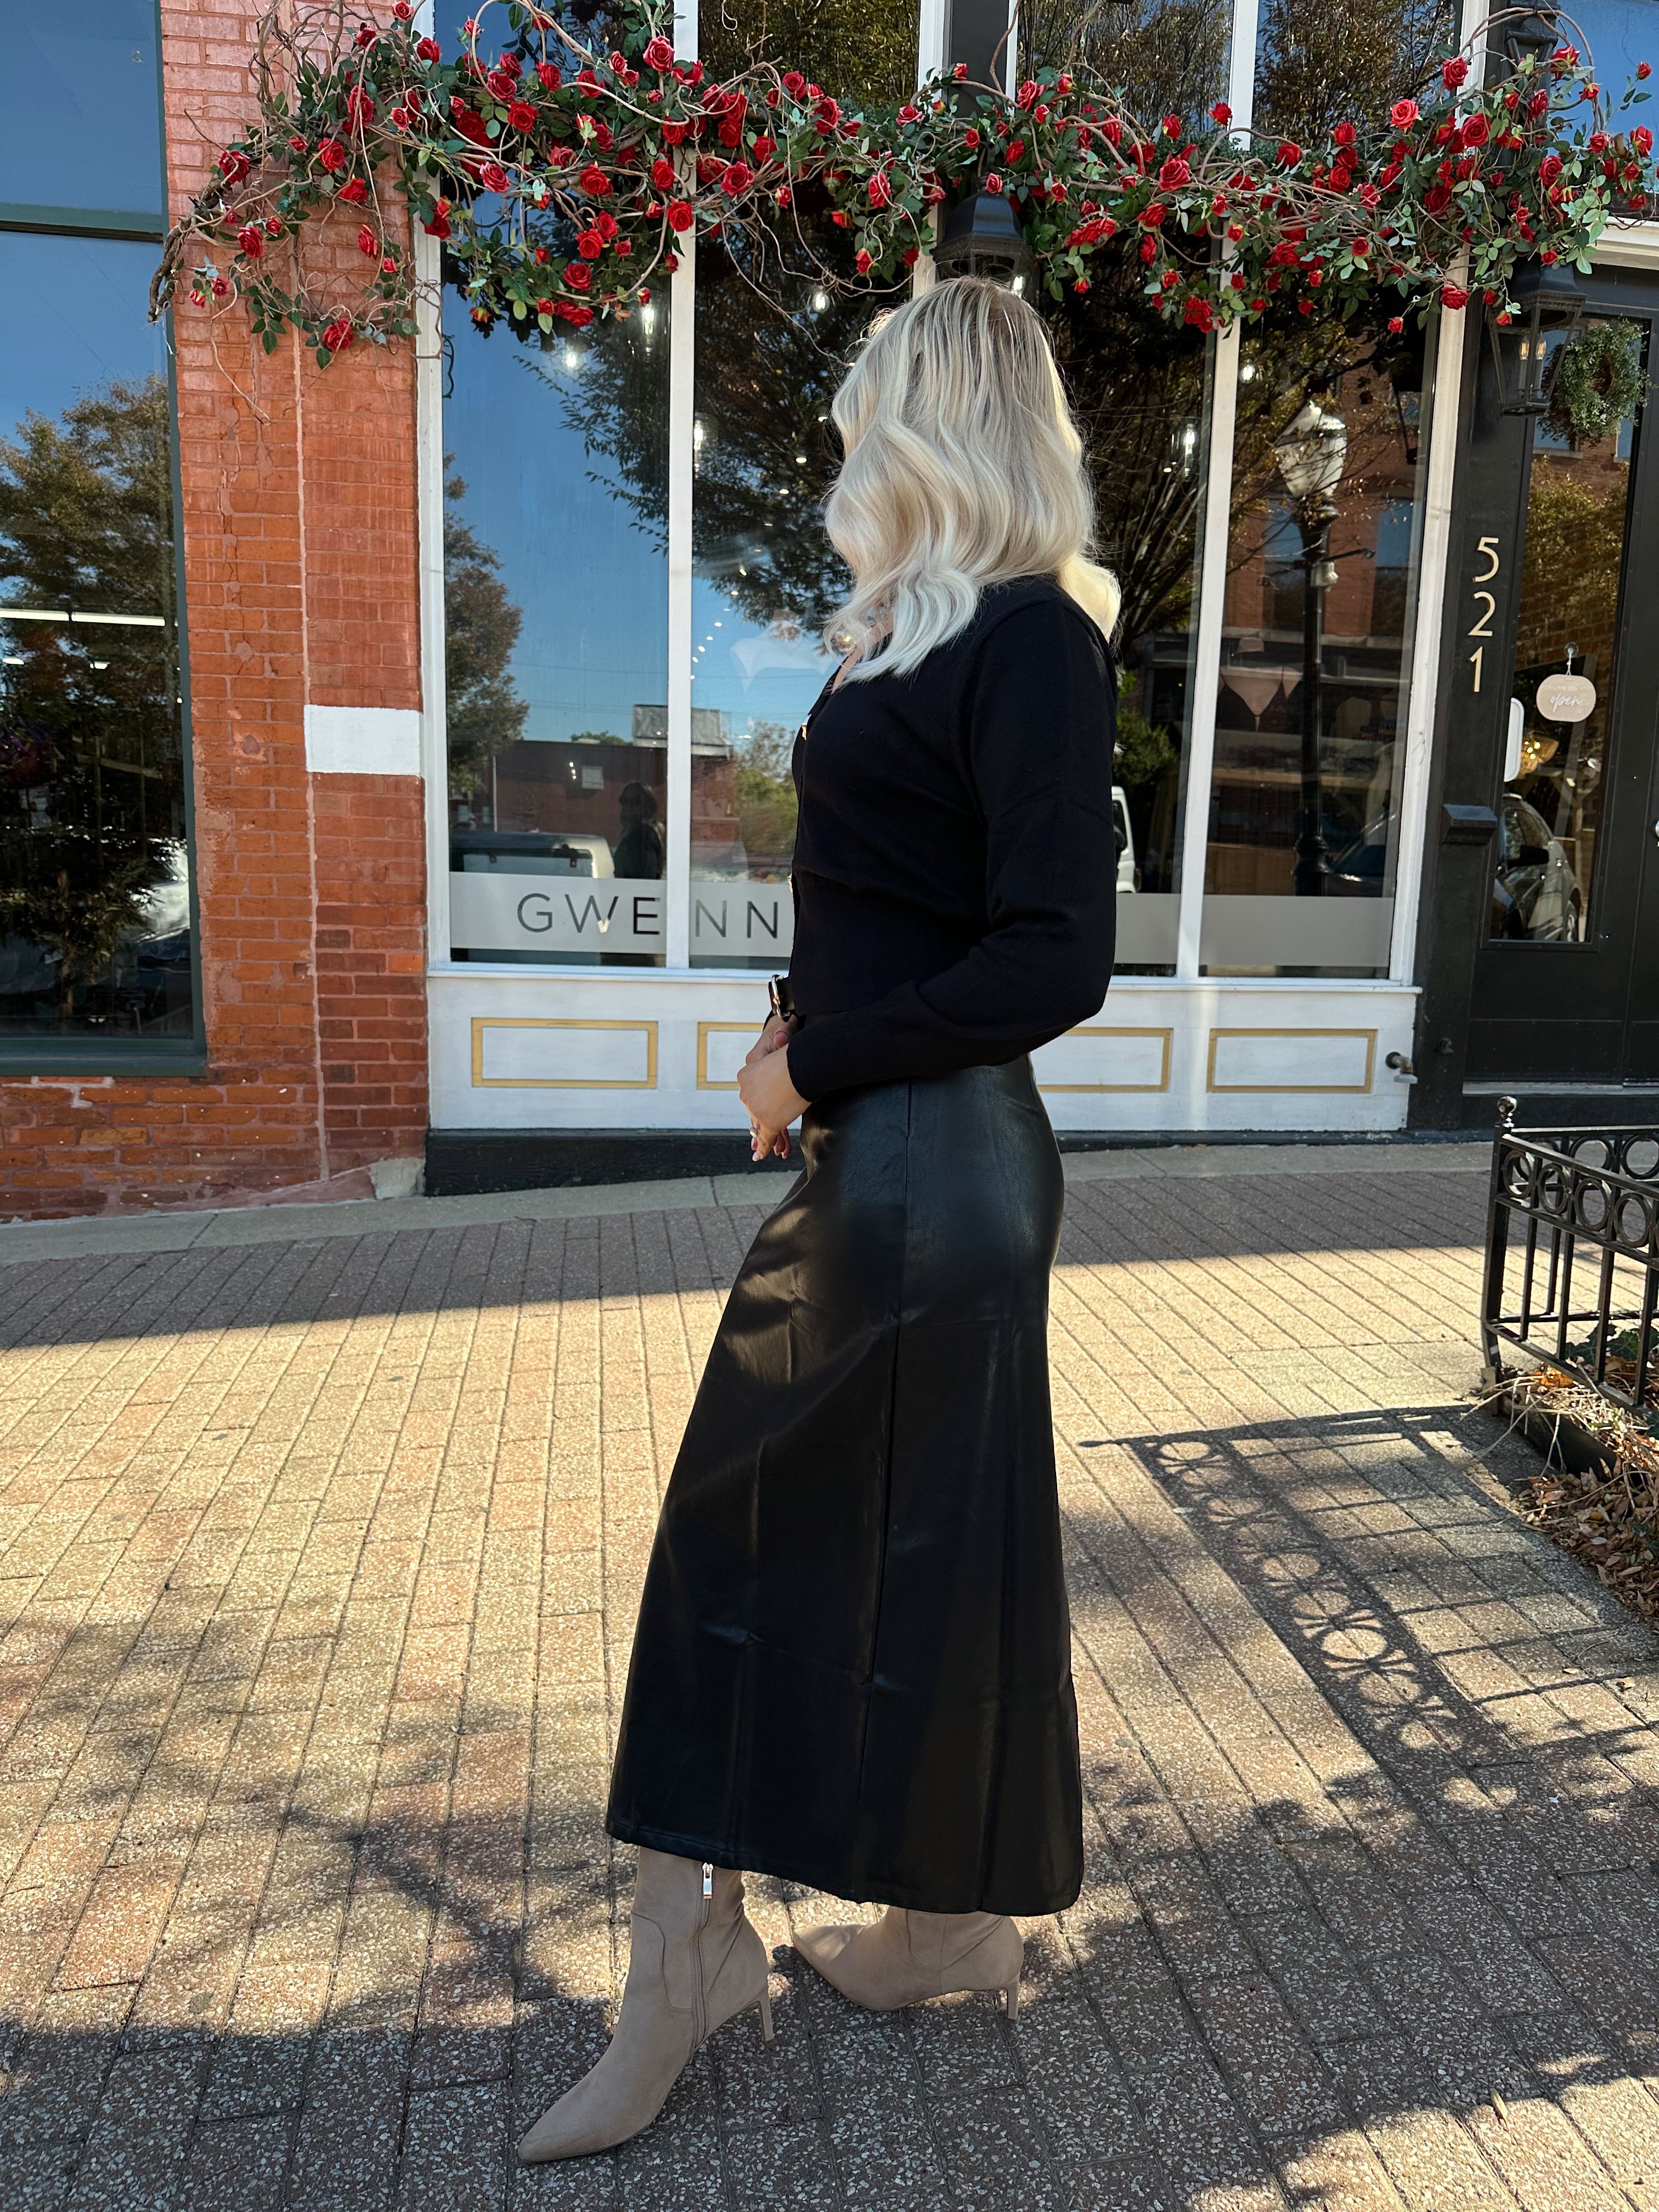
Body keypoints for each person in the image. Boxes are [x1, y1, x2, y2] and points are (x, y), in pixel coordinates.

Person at [518, 273, 1119, 2165]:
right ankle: (947, 1925)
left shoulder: (1036, 639)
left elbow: (1056, 956)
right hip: (889, 1151)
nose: (845, 443)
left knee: (734, 1543)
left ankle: (688, 1965)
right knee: (922, 1551)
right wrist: (795, 1025)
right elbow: (881, 887)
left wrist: (821, 1062)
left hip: (940, 1165)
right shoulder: (904, 637)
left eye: (869, 412)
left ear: (937, 422)